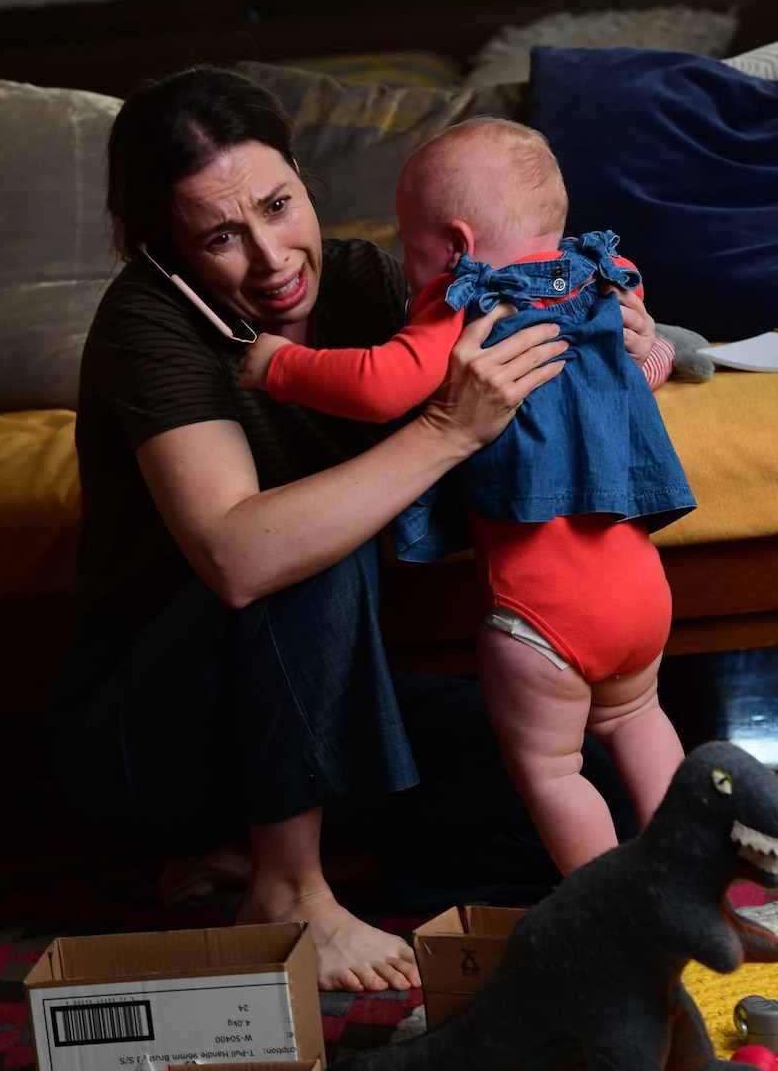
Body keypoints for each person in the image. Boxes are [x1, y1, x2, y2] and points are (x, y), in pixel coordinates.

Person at [42, 68, 658, 994]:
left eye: (279, 206)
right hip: (163, 726)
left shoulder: (374, 280)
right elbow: (239, 559)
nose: (273, 258)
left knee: (586, 797)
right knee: (300, 529)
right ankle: (290, 893)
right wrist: (449, 429)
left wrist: (607, 329)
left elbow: (530, 298)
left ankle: (293, 857)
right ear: (165, 251)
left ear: (302, 176)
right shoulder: (148, 323)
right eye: (220, 237)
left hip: (310, 702)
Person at [240, 117, 695, 875]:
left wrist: (279, 365)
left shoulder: (467, 306)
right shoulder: (606, 283)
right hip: (640, 593)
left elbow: (382, 387)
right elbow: (638, 385)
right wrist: (657, 348)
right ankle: (695, 876)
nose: (403, 259)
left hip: (542, 617)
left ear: (453, 244)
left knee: (554, 773)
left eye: (405, 240)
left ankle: (612, 912)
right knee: (641, 719)